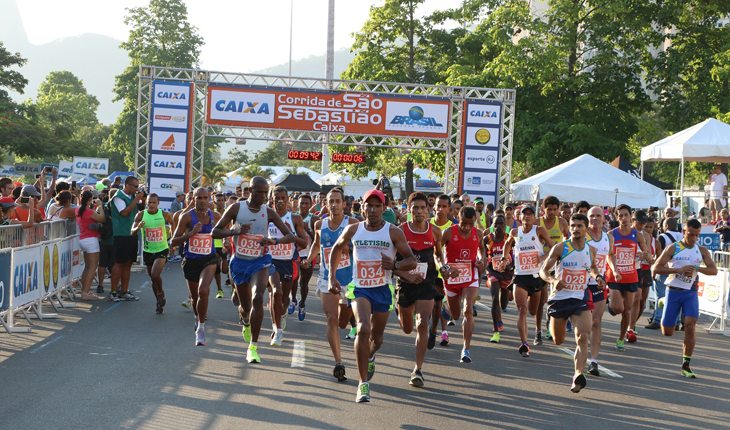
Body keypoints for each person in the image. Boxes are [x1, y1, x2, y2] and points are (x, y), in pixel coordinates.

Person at [328, 189, 416, 403]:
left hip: (383, 290)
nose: (373, 210)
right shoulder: (353, 229)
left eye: (378, 206)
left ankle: (371, 355)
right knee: (363, 328)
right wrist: (332, 277)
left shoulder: (393, 232)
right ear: (363, 207)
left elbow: (411, 260)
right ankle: (363, 383)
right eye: (370, 205)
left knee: (376, 339)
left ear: (384, 209)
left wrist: (394, 265)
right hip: (360, 288)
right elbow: (336, 249)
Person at [212, 177, 296, 363]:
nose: (264, 196)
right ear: (250, 191)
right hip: (240, 263)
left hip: (261, 260)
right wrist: (235, 232)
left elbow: (290, 236)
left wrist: (274, 241)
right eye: (260, 192)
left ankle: (253, 347)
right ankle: (246, 322)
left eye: (266, 193)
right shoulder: (236, 208)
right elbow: (215, 232)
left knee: (258, 296)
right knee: (245, 307)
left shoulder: (269, 212)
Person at [540, 213, 605, 392]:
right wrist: (553, 281)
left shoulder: (591, 250)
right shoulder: (560, 248)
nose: (575, 229)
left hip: (579, 297)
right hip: (559, 298)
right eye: (573, 225)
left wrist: (598, 276)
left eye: (579, 226)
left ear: (586, 229)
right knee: (558, 340)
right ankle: (553, 324)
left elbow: (591, 267)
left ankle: (578, 374)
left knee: (583, 336)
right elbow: (543, 271)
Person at [302, 187, 357, 382]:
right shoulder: (320, 224)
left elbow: (361, 247)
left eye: (337, 201)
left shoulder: (353, 224)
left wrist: (349, 249)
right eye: (330, 201)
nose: (333, 205)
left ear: (344, 204)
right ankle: (338, 362)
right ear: (326, 204)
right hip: (327, 278)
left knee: (343, 322)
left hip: (350, 280)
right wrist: (309, 259)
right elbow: (317, 245)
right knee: (332, 319)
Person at [652, 218, 717, 378]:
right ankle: (663, 302)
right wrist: (679, 270)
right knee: (667, 331)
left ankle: (686, 364)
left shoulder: (701, 250)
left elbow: (713, 270)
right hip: (673, 291)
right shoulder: (673, 248)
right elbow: (656, 267)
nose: (693, 238)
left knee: (690, 324)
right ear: (683, 232)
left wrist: (697, 268)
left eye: (696, 235)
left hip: (690, 293)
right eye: (690, 234)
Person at [394, 192, 446, 387]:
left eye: (422, 208)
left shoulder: (435, 232)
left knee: (422, 322)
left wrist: (445, 268)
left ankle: (418, 369)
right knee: (407, 328)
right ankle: (398, 308)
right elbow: (392, 263)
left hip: (426, 282)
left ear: (428, 210)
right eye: (415, 208)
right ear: (409, 210)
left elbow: (439, 256)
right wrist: (404, 274)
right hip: (406, 283)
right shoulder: (399, 231)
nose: (419, 211)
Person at [171, 188, 221, 346]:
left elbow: (224, 231)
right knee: (194, 297)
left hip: (209, 260)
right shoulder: (186, 217)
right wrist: (190, 233)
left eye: (205, 197)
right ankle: (197, 316)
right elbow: (173, 241)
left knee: (203, 291)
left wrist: (229, 238)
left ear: (209, 199)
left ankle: (201, 327)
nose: (202, 200)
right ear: (193, 199)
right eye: (199, 197)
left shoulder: (216, 216)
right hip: (191, 260)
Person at [503, 205, 553, 357]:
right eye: (525, 214)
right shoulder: (514, 232)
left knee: (532, 310)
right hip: (520, 276)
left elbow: (553, 247)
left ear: (534, 217)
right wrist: (505, 258)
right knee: (522, 310)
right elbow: (507, 244)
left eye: (531, 214)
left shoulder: (539, 231)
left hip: (536, 277)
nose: (527, 217)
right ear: (520, 217)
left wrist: (543, 257)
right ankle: (524, 343)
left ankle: (535, 331)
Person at [441, 206, 487, 363]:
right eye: (463, 224)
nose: (467, 227)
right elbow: (437, 253)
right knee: (455, 314)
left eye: (470, 224)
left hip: (470, 275)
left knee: (468, 310)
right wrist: (444, 267)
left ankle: (466, 349)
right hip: (452, 277)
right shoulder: (448, 232)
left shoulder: (478, 233)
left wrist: (482, 260)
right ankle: (445, 306)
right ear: (457, 219)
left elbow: (482, 249)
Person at [605, 205, 651, 351]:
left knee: (627, 310)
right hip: (615, 277)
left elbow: (646, 251)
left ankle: (620, 339)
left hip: (631, 276)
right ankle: (612, 305)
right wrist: (615, 270)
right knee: (619, 308)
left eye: (625, 215)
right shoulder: (611, 234)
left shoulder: (637, 235)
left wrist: (646, 256)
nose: (623, 218)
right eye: (620, 215)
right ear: (616, 217)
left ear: (630, 216)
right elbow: (609, 255)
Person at [266, 186, 308, 346]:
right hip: (270, 261)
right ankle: (277, 330)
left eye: (283, 197)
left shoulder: (295, 218)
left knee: (283, 300)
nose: (280, 201)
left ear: (288, 199)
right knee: (275, 293)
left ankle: (281, 315)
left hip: (288, 262)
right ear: (272, 199)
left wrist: (292, 236)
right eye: (276, 198)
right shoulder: (266, 216)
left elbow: (304, 243)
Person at [585, 206, 617, 376]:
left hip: (599, 284)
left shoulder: (608, 237)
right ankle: (581, 350)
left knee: (596, 321)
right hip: (582, 284)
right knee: (584, 324)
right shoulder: (582, 236)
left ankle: (594, 361)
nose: (595, 219)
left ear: (604, 218)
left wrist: (615, 269)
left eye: (598, 216)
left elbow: (610, 255)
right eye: (592, 216)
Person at [132, 194, 174, 314]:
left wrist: (172, 240)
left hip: (162, 249)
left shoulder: (163, 214)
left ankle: (160, 292)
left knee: (155, 275)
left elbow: (172, 223)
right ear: (146, 203)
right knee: (152, 278)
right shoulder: (140, 215)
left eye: (154, 203)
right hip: (148, 250)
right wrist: (137, 228)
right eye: (149, 202)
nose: (151, 205)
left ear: (158, 203)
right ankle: (158, 302)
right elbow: (132, 232)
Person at [537, 196, 569, 343]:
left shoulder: (562, 222)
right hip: (540, 264)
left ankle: (550, 324)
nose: (552, 212)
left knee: (554, 297)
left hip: (558, 263)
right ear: (544, 208)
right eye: (549, 209)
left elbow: (569, 240)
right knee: (542, 299)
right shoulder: (538, 223)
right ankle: (540, 327)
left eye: (555, 209)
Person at [110, 176, 145, 301]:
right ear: (127, 185)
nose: (137, 189)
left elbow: (139, 211)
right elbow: (124, 213)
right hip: (121, 234)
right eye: (135, 186)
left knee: (128, 263)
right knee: (119, 263)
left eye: (138, 187)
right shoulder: (118, 196)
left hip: (132, 233)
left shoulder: (132, 197)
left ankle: (124, 291)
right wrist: (136, 199)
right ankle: (113, 291)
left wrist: (141, 200)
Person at [646, 218, 684, 330]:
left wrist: (654, 269)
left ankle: (658, 319)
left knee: (661, 296)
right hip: (679, 269)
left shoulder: (662, 237)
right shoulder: (682, 236)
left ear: (666, 225)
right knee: (676, 297)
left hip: (665, 269)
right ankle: (676, 322)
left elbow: (660, 255)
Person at [429, 194, 454, 347]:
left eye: (444, 206)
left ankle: (441, 331)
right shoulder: (427, 224)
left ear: (449, 209)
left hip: (445, 271)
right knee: (431, 303)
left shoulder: (453, 227)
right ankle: (431, 329)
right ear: (434, 207)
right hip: (430, 270)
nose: (440, 209)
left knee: (439, 305)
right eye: (438, 206)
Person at [290, 194, 319, 320]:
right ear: (297, 203)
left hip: (308, 255)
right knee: (293, 279)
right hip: (295, 253)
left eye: (307, 203)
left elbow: (318, 241)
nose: (304, 206)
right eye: (302, 203)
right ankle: (293, 300)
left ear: (311, 204)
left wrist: (309, 231)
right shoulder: (293, 217)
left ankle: (302, 304)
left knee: (303, 283)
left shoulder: (314, 219)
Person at [485, 215, 513, 343]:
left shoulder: (510, 239)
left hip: (507, 273)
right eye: (496, 224)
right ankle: (496, 330)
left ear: (505, 226)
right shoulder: (488, 239)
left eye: (501, 224)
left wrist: (510, 264)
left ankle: (499, 317)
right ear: (493, 225)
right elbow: (481, 252)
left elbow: (516, 255)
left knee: (503, 303)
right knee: (495, 299)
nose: (498, 227)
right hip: (493, 272)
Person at [629, 218, 656, 341]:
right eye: (645, 226)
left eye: (650, 227)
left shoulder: (649, 237)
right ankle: (629, 324)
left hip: (645, 270)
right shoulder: (630, 233)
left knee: (642, 301)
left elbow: (650, 254)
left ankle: (632, 324)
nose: (647, 229)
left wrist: (651, 260)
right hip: (632, 269)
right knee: (634, 299)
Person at [75, 191, 105, 300]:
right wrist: (100, 206)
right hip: (91, 240)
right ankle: (85, 292)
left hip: (82, 239)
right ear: (89, 200)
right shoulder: (88, 211)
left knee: (87, 267)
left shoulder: (78, 209)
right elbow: (102, 218)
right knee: (92, 267)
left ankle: (84, 290)